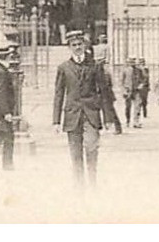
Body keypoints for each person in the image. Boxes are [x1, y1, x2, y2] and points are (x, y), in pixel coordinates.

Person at [53, 31, 107, 187]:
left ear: (84, 45)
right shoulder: (63, 68)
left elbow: (103, 92)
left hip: (91, 114)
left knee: (92, 147)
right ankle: (79, 187)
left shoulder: (95, 66)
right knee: (75, 154)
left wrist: (108, 118)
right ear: (69, 47)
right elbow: (58, 94)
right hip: (72, 116)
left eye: (79, 44)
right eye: (74, 45)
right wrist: (56, 121)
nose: (77, 47)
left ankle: (93, 182)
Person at [91, 45, 123, 136]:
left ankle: (115, 127)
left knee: (109, 111)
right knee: (102, 111)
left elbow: (107, 84)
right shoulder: (98, 71)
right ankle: (104, 127)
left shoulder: (105, 72)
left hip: (106, 95)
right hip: (100, 94)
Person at [125, 57, 149, 129]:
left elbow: (145, 78)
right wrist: (124, 89)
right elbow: (122, 81)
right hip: (128, 91)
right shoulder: (125, 70)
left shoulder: (139, 70)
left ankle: (136, 122)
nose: (132, 63)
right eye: (130, 62)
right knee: (127, 107)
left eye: (133, 62)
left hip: (136, 91)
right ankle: (128, 121)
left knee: (137, 106)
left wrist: (141, 85)